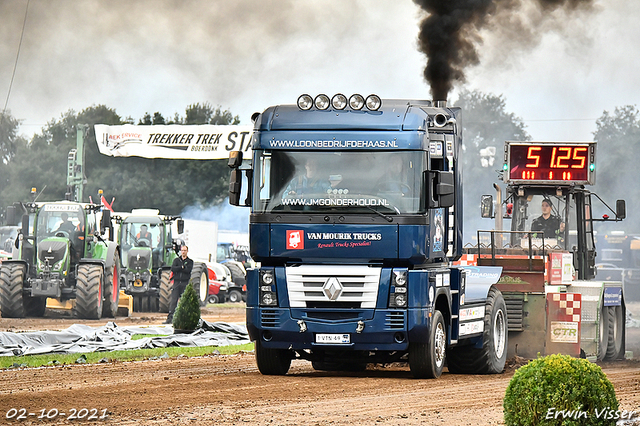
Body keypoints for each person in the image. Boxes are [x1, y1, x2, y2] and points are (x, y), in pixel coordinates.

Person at [164, 245, 194, 324]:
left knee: (185, 301)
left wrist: (180, 268)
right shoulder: (176, 260)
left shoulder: (190, 261)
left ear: (187, 251)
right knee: (173, 301)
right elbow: (173, 268)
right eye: (182, 250)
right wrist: (182, 267)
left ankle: (185, 319)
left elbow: (188, 270)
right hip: (176, 283)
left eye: (185, 250)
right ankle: (170, 318)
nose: (183, 252)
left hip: (185, 283)